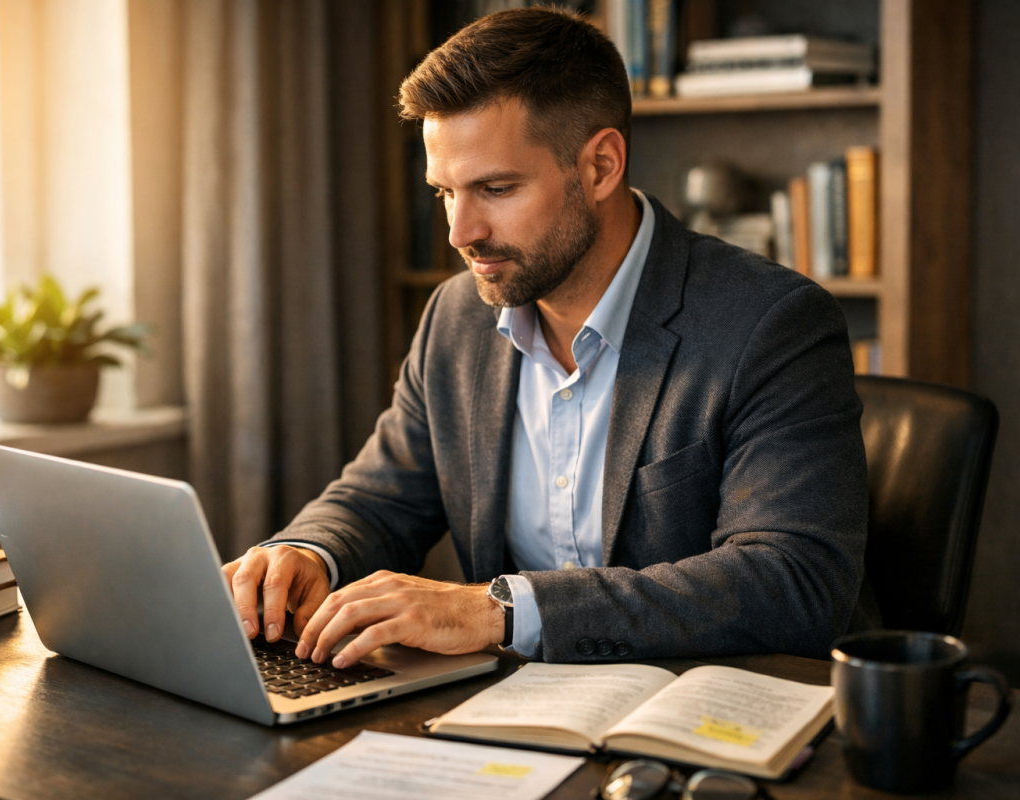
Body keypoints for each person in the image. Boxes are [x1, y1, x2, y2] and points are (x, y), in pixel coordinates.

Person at [221, 7, 869, 666]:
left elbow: (794, 582)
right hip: (504, 720)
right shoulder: (456, 318)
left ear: (600, 166)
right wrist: (307, 552)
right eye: (445, 192)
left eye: (495, 188)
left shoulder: (772, 324)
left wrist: (503, 610)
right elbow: (381, 497)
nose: (460, 232)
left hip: (688, 728)